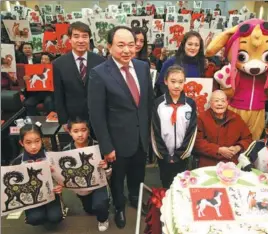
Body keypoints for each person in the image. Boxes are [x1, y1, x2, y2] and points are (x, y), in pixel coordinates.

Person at [88, 26, 154, 229]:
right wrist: (106, 147)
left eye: (131, 45)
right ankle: (119, 207)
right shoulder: (99, 73)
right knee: (117, 179)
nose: (127, 50)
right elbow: (96, 115)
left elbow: (147, 103)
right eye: (121, 45)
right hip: (116, 141)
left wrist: (149, 136)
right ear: (109, 47)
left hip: (141, 137)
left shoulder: (143, 67)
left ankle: (135, 197)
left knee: (138, 174)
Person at [53, 21, 105, 134]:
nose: (81, 40)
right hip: (74, 118)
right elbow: (58, 94)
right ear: (70, 39)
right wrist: (63, 120)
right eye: (76, 36)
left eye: (85, 36)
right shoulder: (58, 64)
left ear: (89, 39)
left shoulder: (100, 61)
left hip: (98, 116)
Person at [151, 65, 197, 189]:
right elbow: (154, 132)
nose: (177, 86)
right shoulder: (158, 104)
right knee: (166, 183)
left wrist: (180, 154)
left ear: (184, 82)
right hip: (164, 155)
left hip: (182, 155)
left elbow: (191, 131)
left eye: (180, 82)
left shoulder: (190, 104)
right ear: (166, 81)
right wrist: (164, 154)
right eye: (173, 81)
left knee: (182, 183)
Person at [10, 124, 65, 226]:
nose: (34, 146)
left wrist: (59, 186)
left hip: (50, 194)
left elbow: (61, 179)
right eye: (28, 142)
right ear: (21, 143)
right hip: (31, 197)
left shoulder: (51, 157)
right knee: (35, 219)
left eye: (37, 141)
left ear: (41, 140)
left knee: (55, 217)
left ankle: (57, 208)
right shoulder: (17, 162)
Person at [63, 118, 111, 232]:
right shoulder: (66, 151)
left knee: (100, 205)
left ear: (88, 130)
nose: (80, 134)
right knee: (90, 209)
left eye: (83, 130)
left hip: (99, 184)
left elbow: (109, 174)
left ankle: (103, 218)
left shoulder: (99, 147)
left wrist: (106, 167)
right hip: (81, 188)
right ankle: (95, 204)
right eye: (75, 131)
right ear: (69, 132)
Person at [194, 90, 252, 167]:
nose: (220, 104)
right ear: (210, 103)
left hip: (230, 162)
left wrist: (237, 148)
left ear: (227, 103)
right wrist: (218, 150)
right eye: (216, 101)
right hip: (208, 162)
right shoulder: (201, 118)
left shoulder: (236, 118)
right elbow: (197, 142)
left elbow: (247, 138)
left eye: (223, 101)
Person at [156, 31, 205, 95]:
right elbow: (161, 85)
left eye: (196, 45)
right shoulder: (171, 62)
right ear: (184, 45)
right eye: (190, 44)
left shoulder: (201, 63)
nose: (193, 48)